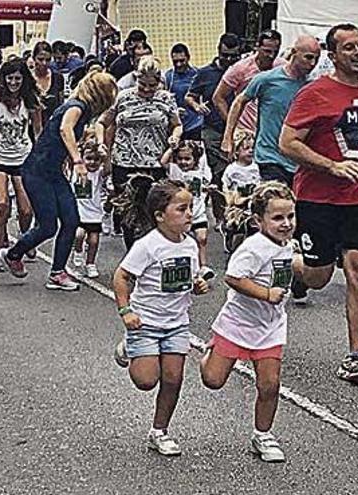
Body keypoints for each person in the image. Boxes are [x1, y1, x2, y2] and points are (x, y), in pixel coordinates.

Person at [279, 24, 358, 387]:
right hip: (317, 197)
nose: (357, 52)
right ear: (332, 56)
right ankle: (291, 266)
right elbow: (287, 143)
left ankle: (356, 357)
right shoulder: (315, 93)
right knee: (319, 276)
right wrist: (331, 166)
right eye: (348, 47)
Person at [200, 181, 296, 463]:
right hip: (238, 322)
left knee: (270, 385)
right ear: (258, 220)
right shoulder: (254, 247)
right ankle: (210, 353)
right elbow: (233, 277)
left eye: (290, 216)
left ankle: (263, 435)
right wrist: (266, 294)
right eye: (278, 218)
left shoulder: (289, 245)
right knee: (213, 380)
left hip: (271, 326)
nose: (286, 223)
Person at [112, 180, 209, 457]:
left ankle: (160, 431)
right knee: (145, 381)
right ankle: (128, 347)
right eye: (181, 209)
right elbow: (122, 276)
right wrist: (126, 311)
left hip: (177, 323)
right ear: (159, 215)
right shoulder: (148, 245)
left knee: (173, 379)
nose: (189, 213)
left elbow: (189, 279)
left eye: (190, 208)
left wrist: (197, 285)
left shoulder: (190, 245)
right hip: (145, 322)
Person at [0, 72, 117, 290]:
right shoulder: (76, 106)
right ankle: (14, 254)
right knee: (48, 225)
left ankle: (57, 272)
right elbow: (65, 129)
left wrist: (96, 144)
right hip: (37, 172)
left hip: (53, 172)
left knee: (71, 220)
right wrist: (77, 161)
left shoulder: (83, 110)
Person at [96, 55, 183, 248]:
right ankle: (132, 254)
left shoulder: (166, 99)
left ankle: (152, 253)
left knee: (154, 211)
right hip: (125, 162)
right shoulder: (123, 96)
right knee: (129, 213)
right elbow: (102, 122)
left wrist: (174, 138)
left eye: (151, 85)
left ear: (158, 82)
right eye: (142, 84)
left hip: (154, 162)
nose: (146, 89)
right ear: (136, 79)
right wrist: (102, 144)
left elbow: (177, 125)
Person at [222, 35, 321, 187]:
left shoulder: (312, 86)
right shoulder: (267, 79)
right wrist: (228, 137)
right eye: (308, 57)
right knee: (274, 203)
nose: (312, 63)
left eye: (316, 58)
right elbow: (239, 101)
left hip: (298, 160)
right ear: (294, 53)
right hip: (270, 157)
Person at [0, 57, 42, 272]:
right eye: (10, 78)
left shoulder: (30, 100)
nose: (13, 83)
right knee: (2, 203)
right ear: (3, 79)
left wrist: (42, 155)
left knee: (26, 209)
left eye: (17, 79)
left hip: (23, 157)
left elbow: (38, 131)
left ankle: (25, 240)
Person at [186, 33, 242, 228]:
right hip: (213, 129)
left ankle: (237, 213)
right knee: (219, 172)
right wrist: (196, 106)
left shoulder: (242, 70)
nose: (229, 60)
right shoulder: (205, 73)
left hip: (241, 129)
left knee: (240, 172)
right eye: (225, 55)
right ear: (219, 51)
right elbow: (190, 97)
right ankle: (221, 216)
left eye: (233, 56)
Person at [213, 30, 285, 135]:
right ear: (257, 47)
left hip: (272, 130)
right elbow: (218, 97)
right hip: (246, 131)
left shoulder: (282, 67)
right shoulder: (240, 68)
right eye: (267, 51)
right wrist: (233, 126)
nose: (271, 56)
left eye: (275, 52)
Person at [169, 140, 214, 279]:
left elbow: (203, 187)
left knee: (202, 238)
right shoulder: (175, 171)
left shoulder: (201, 173)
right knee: (183, 243)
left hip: (198, 212)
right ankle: (186, 267)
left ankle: (203, 266)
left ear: (195, 160)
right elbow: (163, 161)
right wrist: (172, 148)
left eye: (187, 159)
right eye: (180, 159)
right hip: (181, 214)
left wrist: (208, 189)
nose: (184, 162)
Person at [71, 134, 110, 278]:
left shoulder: (99, 174)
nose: (92, 162)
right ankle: (78, 251)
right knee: (79, 234)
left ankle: (90, 263)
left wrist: (105, 156)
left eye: (96, 159)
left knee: (93, 241)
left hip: (95, 214)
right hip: (79, 212)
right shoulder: (76, 171)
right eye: (89, 158)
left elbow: (108, 168)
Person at [221, 131, 261, 252]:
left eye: (252, 148)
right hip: (237, 204)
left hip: (252, 201)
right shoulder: (232, 169)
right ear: (237, 151)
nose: (250, 151)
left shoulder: (257, 167)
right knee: (237, 227)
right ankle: (231, 240)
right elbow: (225, 185)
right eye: (246, 148)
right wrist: (229, 197)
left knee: (254, 227)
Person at [164, 43, 203, 140]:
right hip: (176, 124)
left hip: (195, 124)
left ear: (188, 58)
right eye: (175, 61)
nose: (178, 64)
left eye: (182, 61)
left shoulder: (197, 74)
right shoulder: (168, 77)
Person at [30, 41, 65, 123]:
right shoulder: (28, 78)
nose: (44, 63)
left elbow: (61, 105)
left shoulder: (58, 77)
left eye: (48, 60)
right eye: (40, 59)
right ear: (34, 58)